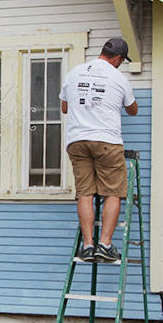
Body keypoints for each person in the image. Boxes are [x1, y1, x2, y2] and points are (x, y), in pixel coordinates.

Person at [59, 37, 138, 263]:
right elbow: (132, 110)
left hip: (77, 140)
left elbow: (65, 107)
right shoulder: (118, 77)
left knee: (85, 192)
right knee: (113, 192)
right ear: (118, 58)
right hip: (106, 140)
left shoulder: (75, 72)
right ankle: (104, 244)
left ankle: (87, 246)